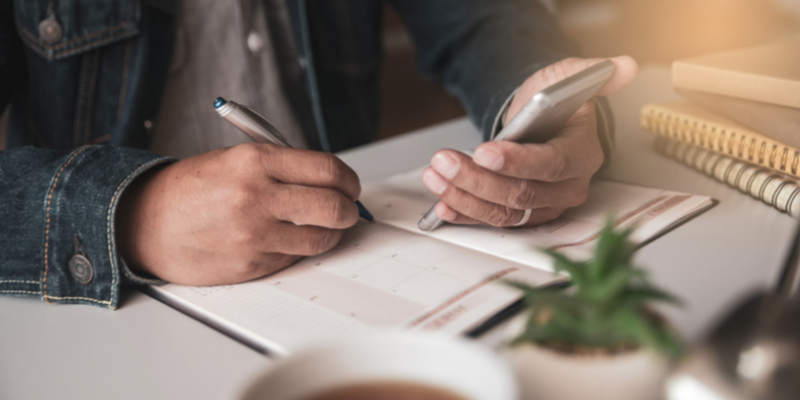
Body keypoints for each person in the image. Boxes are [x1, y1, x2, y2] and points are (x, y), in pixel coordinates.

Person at [0, 0, 637, 309]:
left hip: (343, 256)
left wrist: (534, 97)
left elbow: (479, 19)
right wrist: (133, 212)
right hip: (115, 312)